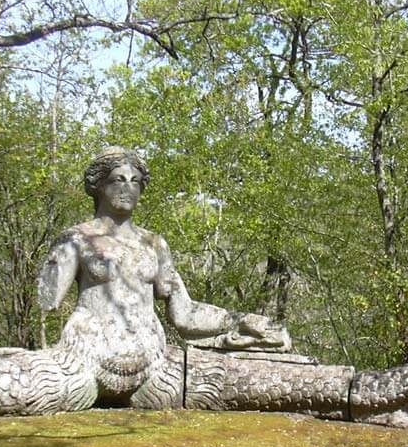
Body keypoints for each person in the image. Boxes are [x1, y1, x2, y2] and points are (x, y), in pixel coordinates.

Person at [38, 146, 289, 399]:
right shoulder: (77, 238)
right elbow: (48, 299)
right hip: (86, 360)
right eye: (118, 180)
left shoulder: (154, 244)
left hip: (152, 367)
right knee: (22, 387)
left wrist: (239, 321)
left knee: (255, 384)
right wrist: (58, 256)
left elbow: (185, 314)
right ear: (98, 185)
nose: (127, 188)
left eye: (135, 181)